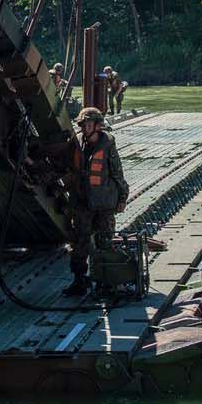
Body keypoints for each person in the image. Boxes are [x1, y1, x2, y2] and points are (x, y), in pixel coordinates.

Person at [63, 106, 129, 296]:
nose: (84, 128)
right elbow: (65, 167)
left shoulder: (107, 146)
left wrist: (123, 197)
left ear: (97, 126)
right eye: (82, 124)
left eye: (88, 124)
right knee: (79, 243)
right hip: (83, 202)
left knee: (104, 242)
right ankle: (79, 280)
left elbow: (117, 173)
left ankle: (106, 281)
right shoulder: (77, 144)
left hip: (104, 204)